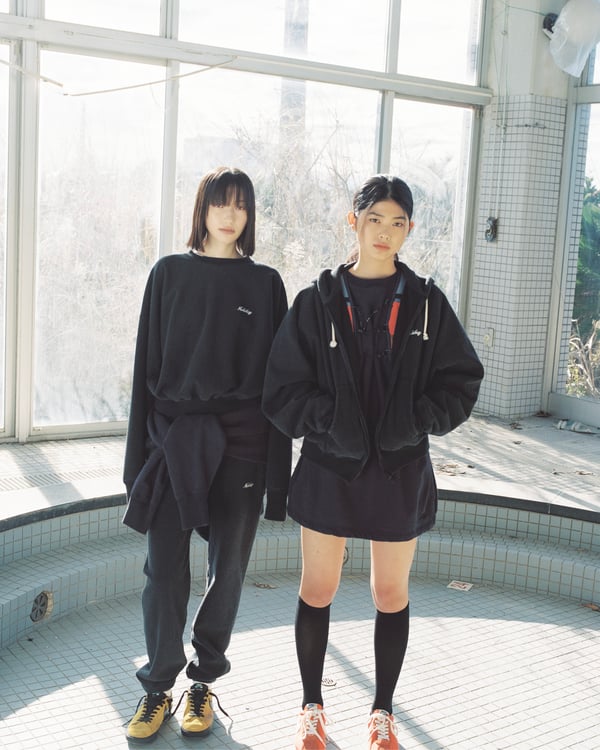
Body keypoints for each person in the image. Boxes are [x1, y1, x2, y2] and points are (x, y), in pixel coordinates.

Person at [262, 174, 484, 750]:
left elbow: (462, 381)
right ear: (353, 222)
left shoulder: (427, 303)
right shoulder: (316, 301)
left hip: (398, 469)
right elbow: (281, 388)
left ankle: (381, 713)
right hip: (329, 467)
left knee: (390, 594)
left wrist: (416, 421)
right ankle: (311, 709)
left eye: (397, 222)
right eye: (374, 219)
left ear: (409, 229)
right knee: (317, 588)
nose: (385, 232)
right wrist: (327, 420)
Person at [122, 166, 291, 744]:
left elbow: (279, 383)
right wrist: (136, 460)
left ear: (250, 216)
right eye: (221, 203)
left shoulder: (265, 284)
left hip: (242, 445)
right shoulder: (168, 274)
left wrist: (278, 475)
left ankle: (202, 681)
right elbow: (144, 370)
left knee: (228, 569)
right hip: (173, 440)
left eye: (241, 205)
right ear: (202, 209)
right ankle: (157, 686)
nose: (230, 215)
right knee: (162, 569)